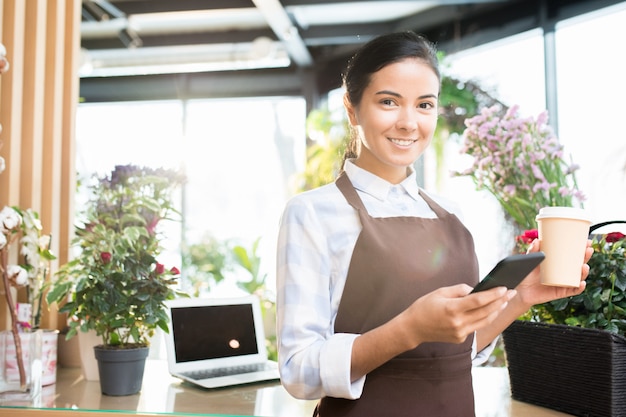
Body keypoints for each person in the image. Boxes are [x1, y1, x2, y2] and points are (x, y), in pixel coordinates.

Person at [275, 31, 592, 417]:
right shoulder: (312, 212)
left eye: (424, 104)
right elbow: (299, 371)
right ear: (352, 109)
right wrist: (409, 328)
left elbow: (458, 350)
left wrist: (520, 298)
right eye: (388, 102)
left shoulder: (451, 213)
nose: (409, 123)